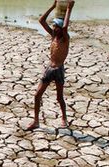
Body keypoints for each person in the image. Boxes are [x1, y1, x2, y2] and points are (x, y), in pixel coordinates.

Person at [26, 0, 75, 130]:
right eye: (53, 26)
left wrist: (69, 9)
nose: (54, 28)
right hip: (49, 68)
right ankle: (36, 121)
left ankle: (64, 118)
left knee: (59, 97)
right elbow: (41, 21)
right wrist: (53, 6)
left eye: (56, 26)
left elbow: (65, 28)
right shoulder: (54, 36)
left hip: (58, 69)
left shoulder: (65, 37)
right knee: (37, 95)